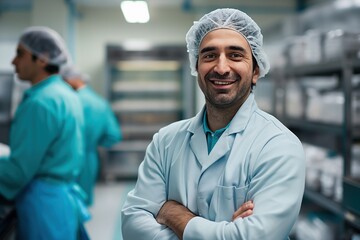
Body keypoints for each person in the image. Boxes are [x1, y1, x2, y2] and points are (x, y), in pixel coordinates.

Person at [121, 8, 306, 240]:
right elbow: (132, 224)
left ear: (256, 70)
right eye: (209, 55)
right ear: (196, 67)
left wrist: (174, 215)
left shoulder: (278, 146)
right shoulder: (165, 141)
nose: (221, 67)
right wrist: (226, 231)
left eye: (235, 55)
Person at [0, 26, 89, 240]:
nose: (13, 62)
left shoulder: (40, 103)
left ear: (43, 59)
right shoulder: (65, 94)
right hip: (62, 201)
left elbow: (19, 171)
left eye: (20, 54)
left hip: (42, 204)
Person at [61, 65, 122, 206]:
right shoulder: (100, 102)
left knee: (65, 205)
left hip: (65, 158)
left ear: (73, 80)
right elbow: (114, 135)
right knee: (82, 205)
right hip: (89, 159)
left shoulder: (68, 100)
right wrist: (92, 143)